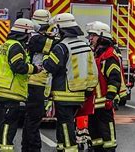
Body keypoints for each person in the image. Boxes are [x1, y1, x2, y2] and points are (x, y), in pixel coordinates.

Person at [42, 13, 98, 152]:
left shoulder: (61, 47)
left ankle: (70, 149)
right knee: (66, 124)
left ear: (61, 29)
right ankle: (62, 148)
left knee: (65, 125)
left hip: (63, 94)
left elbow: (50, 66)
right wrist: (89, 90)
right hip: (80, 94)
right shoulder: (86, 46)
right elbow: (93, 71)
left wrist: (44, 59)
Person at [0, 18, 42, 152]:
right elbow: (18, 66)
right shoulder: (16, 46)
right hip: (10, 90)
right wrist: (34, 68)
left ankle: (4, 147)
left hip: (5, 89)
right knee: (9, 122)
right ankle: (5, 148)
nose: (30, 37)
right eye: (29, 34)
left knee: (7, 121)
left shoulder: (8, 44)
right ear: (24, 32)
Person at [85, 21, 125, 152]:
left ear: (102, 36)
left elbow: (114, 79)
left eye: (93, 35)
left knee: (107, 136)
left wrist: (110, 98)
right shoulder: (97, 54)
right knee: (95, 135)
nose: (90, 38)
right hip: (94, 104)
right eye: (90, 35)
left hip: (103, 104)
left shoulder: (109, 56)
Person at [21, 9, 55, 152]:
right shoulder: (38, 39)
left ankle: (27, 147)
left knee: (30, 119)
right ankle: (33, 148)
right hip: (36, 84)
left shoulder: (33, 37)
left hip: (32, 83)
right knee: (34, 119)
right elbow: (55, 46)